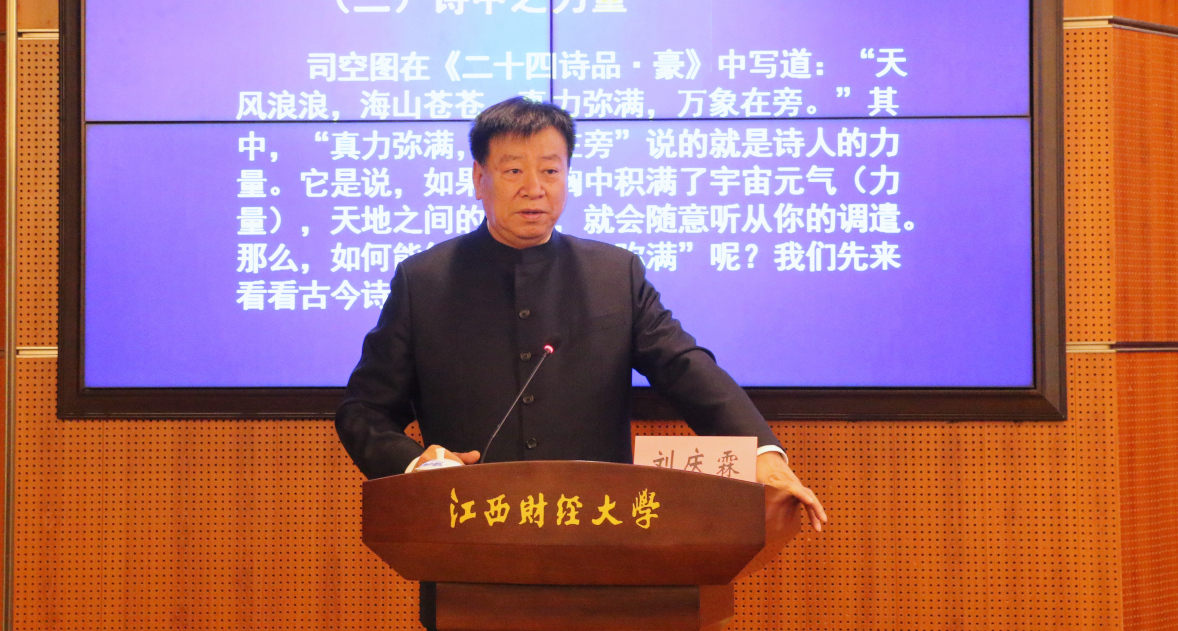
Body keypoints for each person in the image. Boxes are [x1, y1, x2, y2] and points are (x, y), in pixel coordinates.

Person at [336, 97, 826, 531]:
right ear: (478, 179)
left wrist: (763, 454)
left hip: (599, 529)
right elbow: (365, 410)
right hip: (469, 529)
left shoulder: (614, 274)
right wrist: (416, 465)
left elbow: (685, 368)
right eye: (513, 171)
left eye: (550, 171)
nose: (534, 188)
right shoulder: (424, 281)